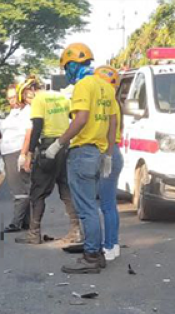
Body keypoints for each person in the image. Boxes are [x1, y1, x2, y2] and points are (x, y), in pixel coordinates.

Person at [45, 42, 117, 274]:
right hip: (98, 152)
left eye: (66, 67)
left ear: (74, 64)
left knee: (86, 208)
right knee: (93, 206)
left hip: (83, 151)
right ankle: (97, 252)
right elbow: (113, 121)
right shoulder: (105, 86)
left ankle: (91, 256)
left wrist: (58, 143)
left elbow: (81, 118)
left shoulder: (84, 86)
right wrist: (107, 152)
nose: (66, 73)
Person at [15, 77, 81, 245]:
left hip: (48, 146)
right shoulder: (61, 97)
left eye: (27, 99)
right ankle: (76, 231)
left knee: (38, 192)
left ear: (30, 91)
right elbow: (73, 117)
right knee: (66, 189)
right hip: (64, 144)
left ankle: (34, 233)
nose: (29, 103)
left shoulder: (38, 99)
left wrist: (29, 153)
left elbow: (37, 126)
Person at [94, 65, 124, 262]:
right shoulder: (115, 103)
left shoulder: (104, 104)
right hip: (113, 154)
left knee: (105, 205)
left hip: (107, 154)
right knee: (109, 204)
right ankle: (112, 244)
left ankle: (109, 246)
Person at [0, 81, 33, 233]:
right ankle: (26, 221)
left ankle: (16, 222)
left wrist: (24, 154)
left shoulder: (26, 111)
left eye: (14, 96)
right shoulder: (13, 112)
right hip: (8, 151)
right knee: (17, 187)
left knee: (19, 189)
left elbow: (28, 133)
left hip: (17, 151)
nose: (12, 100)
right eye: (9, 98)